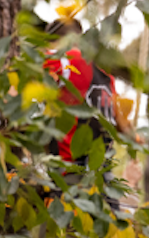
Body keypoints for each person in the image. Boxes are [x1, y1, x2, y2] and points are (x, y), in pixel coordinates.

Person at [43, 16, 132, 201]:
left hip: (69, 174)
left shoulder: (61, 60)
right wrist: (137, 139)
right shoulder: (106, 74)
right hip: (102, 177)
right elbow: (123, 127)